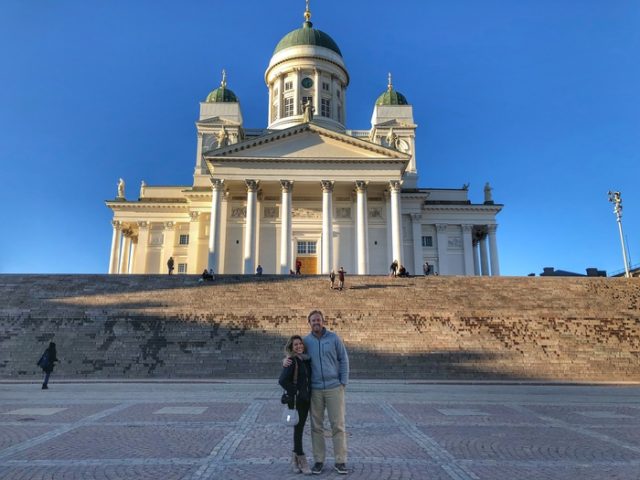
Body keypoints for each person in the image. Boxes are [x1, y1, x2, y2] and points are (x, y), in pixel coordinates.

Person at [301, 310, 349, 475]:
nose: (316, 323)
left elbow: (343, 358)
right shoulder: (306, 341)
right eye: (313, 320)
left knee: (338, 425)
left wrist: (343, 381)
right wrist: (285, 359)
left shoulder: (333, 338)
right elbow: (295, 355)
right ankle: (319, 461)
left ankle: (340, 461)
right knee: (316, 426)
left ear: (323, 321)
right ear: (309, 323)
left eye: (318, 320)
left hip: (334, 387)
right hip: (315, 389)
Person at [279, 335, 312, 475]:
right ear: (292, 348)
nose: (299, 346)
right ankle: (302, 461)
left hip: (305, 400)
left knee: (298, 430)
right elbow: (282, 380)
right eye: (295, 345)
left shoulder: (305, 360)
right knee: (298, 431)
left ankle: (294, 460)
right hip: (297, 401)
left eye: (300, 344)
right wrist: (296, 391)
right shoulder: (292, 361)